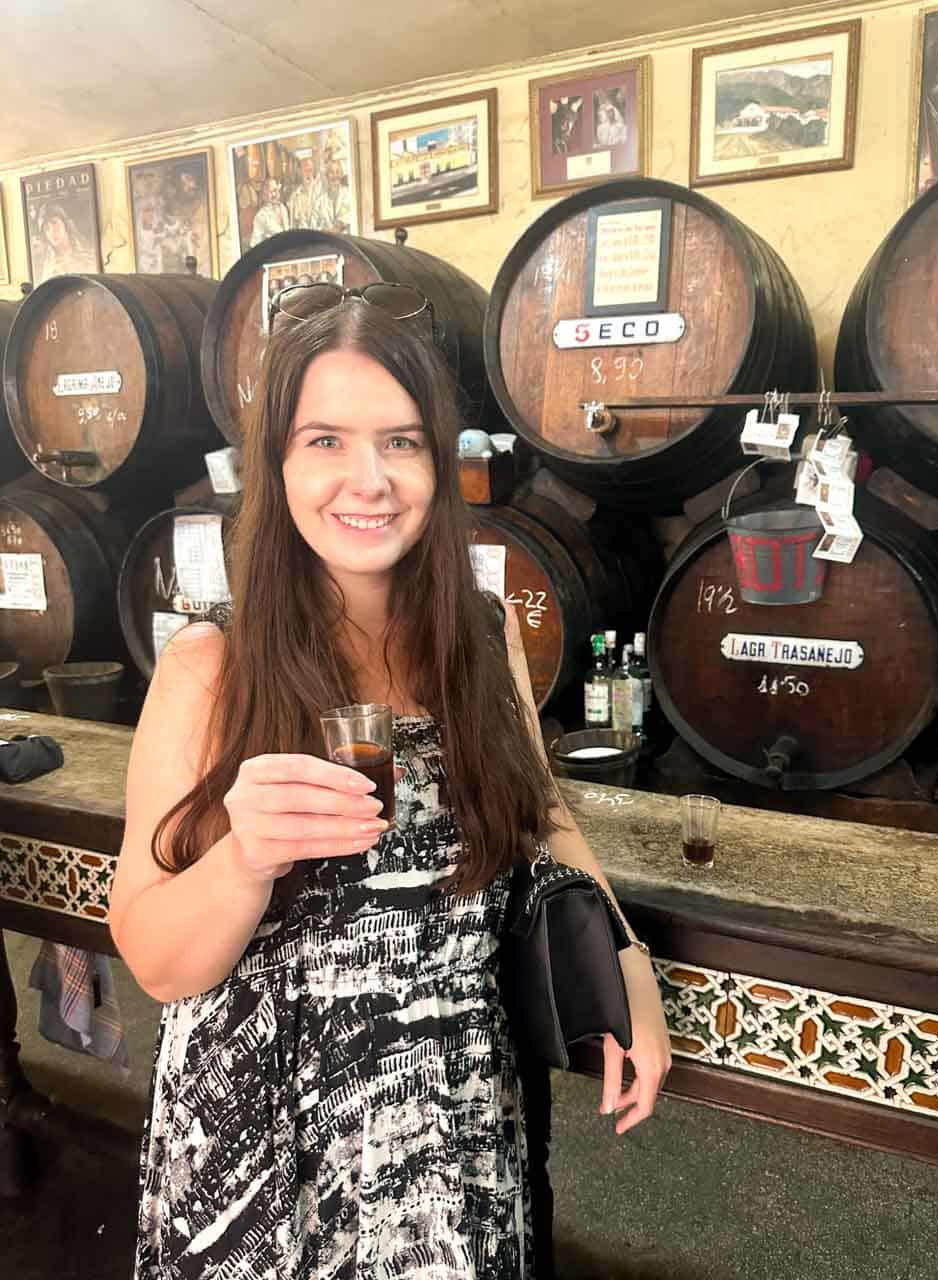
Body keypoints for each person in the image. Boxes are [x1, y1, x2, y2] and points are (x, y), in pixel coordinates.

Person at [109, 285, 671, 1278]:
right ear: (275, 462)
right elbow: (155, 960)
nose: (368, 478)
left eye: (402, 442)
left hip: (450, 1123)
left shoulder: (482, 636)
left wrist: (625, 961)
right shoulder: (212, 666)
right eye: (325, 439)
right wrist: (245, 855)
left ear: (438, 460)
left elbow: (541, 814)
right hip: (266, 1144)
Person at [33, 202, 97, 282]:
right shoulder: (49, 267)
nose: (52, 231)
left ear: (65, 223)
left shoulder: (89, 251)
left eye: (54, 222)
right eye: (47, 228)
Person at [250, 176, 292, 247]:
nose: (274, 195)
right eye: (270, 192)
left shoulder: (283, 208)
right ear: (264, 195)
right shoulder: (261, 216)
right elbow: (254, 244)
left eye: (275, 190)